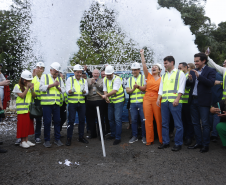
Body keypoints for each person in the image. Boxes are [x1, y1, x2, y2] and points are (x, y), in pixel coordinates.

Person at [187, 53, 215, 153]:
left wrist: (199, 76)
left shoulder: (210, 70)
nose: (195, 63)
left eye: (197, 61)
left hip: (203, 101)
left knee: (205, 124)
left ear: (203, 61)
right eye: (194, 61)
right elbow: (189, 85)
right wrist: (190, 79)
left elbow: (211, 83)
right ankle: (198, 143)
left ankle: (205, 144)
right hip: (193, 100)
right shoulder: (193, 71)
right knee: (195, 123)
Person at [157, 56, 186, 151]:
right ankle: (165, 142)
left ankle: (178, 143)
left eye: (166, 63)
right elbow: (161, 89)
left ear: (172, 62)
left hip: (175, 102)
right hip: (165, 102)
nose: (164, 65)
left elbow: (181, 88)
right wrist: (158, 99)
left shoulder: (179, 73)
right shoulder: (164, 75)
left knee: (178, 124)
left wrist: (177, 99)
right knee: (165, 123)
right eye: (164, 63)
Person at [39, 62, 65, 148]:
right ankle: (47, 140)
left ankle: (57, 139)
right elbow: (41, 88)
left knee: (57, 121)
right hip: (47, 104)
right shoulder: (44, 77)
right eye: (55, 71)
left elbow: (64, 90)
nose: (56, 73)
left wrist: (58, 87)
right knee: (47, 122)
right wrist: (52, 85)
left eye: (57, 72)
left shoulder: (60, 79)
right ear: (50, 70)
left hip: (56, 104)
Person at [140, 50, 163, 145]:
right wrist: (142, 55)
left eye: (156, 67)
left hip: (157, 99)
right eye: (153, 67)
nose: (153, 68)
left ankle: (162, 139)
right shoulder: (148, 76)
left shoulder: (162, 78)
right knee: (148, 119)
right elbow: (144, 66)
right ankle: (149, 140)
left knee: (158, 119)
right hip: (147, 98)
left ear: (159, 70)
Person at [66, 64, 89, 146]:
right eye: (78, 72)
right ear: (74, 72)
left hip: (82, 103)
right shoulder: (70, 80)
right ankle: (69, 138)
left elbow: (87, 92)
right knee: (71, 121)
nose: (79, 74)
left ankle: (81, 137)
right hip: (72, 103)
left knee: (82, 120)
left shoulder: (84, 80)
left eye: (80, 72)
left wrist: (84, 92)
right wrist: (71, 91)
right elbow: (67, 92)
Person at [12, 70, 36, 148]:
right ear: (24, 80)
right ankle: (22, 141)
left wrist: (31, 89)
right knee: (22, 126)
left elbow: (34, 96)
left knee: (28, 125)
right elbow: (22, 96)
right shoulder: (17, 86)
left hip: (28, 110)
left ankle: (26, 140)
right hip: (21, 110)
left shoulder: (29, 87)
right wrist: (27, 88)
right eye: (29, 80)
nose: (30, 82)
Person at [102, 65, 125, 145]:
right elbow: (105, 90)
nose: (108, 76)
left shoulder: (117, 79)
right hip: (111, 101)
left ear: (113, 73)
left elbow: (115, 90)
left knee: (117, 119)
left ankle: (118, 137)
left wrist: (106, 96)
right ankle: (113, 134)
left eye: (109, 75)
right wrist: (106, 98)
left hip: (118, 101)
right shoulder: (105, 79)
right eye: (107, 75)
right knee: (110, 119)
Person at [126, 61, 146, 144]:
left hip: (142, 102)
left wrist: (138, 87)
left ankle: (144, 136)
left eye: (135, 70)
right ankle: (135, 136)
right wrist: (133, 89)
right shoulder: (129, 79)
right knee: (133, 120)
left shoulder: (143, 77)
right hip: (133, 103)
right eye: (132, 70)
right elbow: (127, 91)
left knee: (143, 120)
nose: (133, 72)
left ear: (139, 70)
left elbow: (145, 88)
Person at [178, 62, 194, 146]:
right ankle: (183, 135)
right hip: (180, 101)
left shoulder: (189, 75)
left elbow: (189, 84)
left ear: (186, 67)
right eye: (178, 68)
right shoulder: (179, 76)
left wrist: (190, 80)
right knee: (182, 120)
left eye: (180, 68)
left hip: (187, 101)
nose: (179, 70)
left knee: (188, 120)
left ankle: (189, 137)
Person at [86, 69, 105, 139]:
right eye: (94, 73)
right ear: (92, 74)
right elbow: (85, 89)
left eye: (97, 73)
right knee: (91, 119)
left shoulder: (102, 80)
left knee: (100, 119)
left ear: (99, 74)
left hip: (99, 101)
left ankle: (101, 135)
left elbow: (103, 88)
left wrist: (96, 83)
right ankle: (93, 134)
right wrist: (90, 83)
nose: (96, 75)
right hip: (90, 101)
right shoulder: (88, 80)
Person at [31, 61, 45, 144]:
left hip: (42, 101)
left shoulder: (45, 78)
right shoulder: (32, 78)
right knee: (30, 119)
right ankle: (25, 137)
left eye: (41, 68)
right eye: (38, 68)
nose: (39, 69)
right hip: (34, 101)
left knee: (39, 120)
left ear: (43, 70)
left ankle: (37, 136)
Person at [101, 70, 111, 134]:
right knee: (102, 116)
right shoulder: (100, 80)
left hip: (109, 101)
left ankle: (109, 130)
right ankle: (103, 131)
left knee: (108, 117)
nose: (104, 75)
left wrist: (106, 97)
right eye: (102, 74)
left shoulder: (109, 80)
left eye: (104, 74)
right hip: (102, 102)